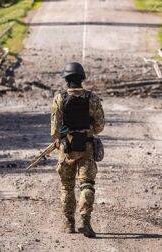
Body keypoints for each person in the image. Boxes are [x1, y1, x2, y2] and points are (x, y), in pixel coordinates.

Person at [51, 62, 105, 238]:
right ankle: (86, 222)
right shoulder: (92, 98)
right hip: (87, 148)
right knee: (87, 185)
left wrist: (64, 136)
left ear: (66, 79)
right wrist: (87, 129)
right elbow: (99, 127)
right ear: (82, 78)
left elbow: (55, 131)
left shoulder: (59, 98)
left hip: (66, 149)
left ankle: (69, 224)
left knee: (67, 187)